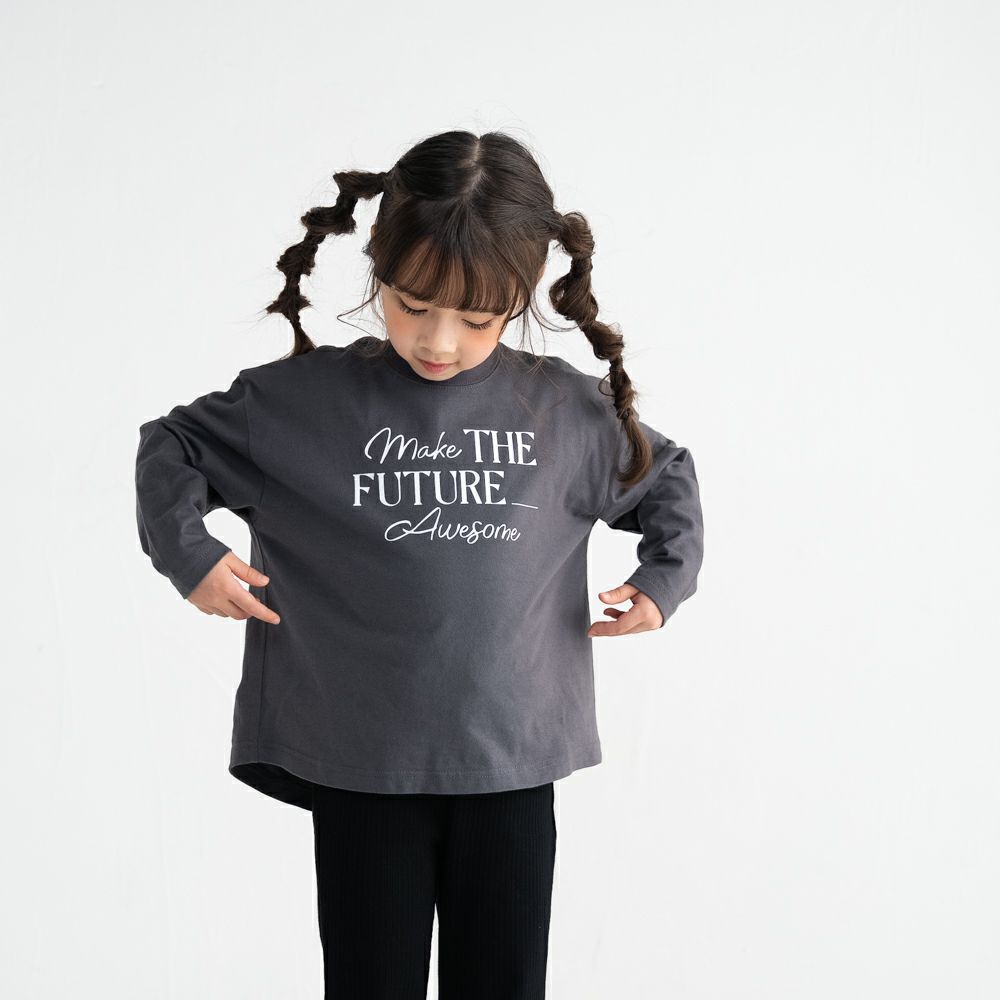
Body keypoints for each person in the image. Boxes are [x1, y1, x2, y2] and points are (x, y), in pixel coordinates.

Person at [134, 129, 705, 999]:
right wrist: (192, 555)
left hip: (511, 761)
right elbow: (171, 446)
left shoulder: (563, 412)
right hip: (362, 761)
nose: (439, 341)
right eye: (411, 305)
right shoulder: (300, 404)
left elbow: (666, 477)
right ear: (379, 266)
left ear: (521, 298)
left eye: (477, 320)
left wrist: (662, 583)